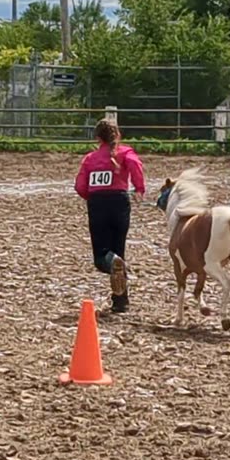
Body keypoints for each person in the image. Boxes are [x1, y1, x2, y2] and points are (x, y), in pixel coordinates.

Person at [75, 117, 146, 313]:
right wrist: (139, 188)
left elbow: (80, 186)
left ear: (98, 138)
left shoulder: (90, 159)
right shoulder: (125, 153)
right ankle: (121, 301)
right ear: (117, 135)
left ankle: (112, 266)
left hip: (98, 203)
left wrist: (92, 196)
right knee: (118, 251)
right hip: (120, 202)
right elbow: (135, 166)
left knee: (102, 256)